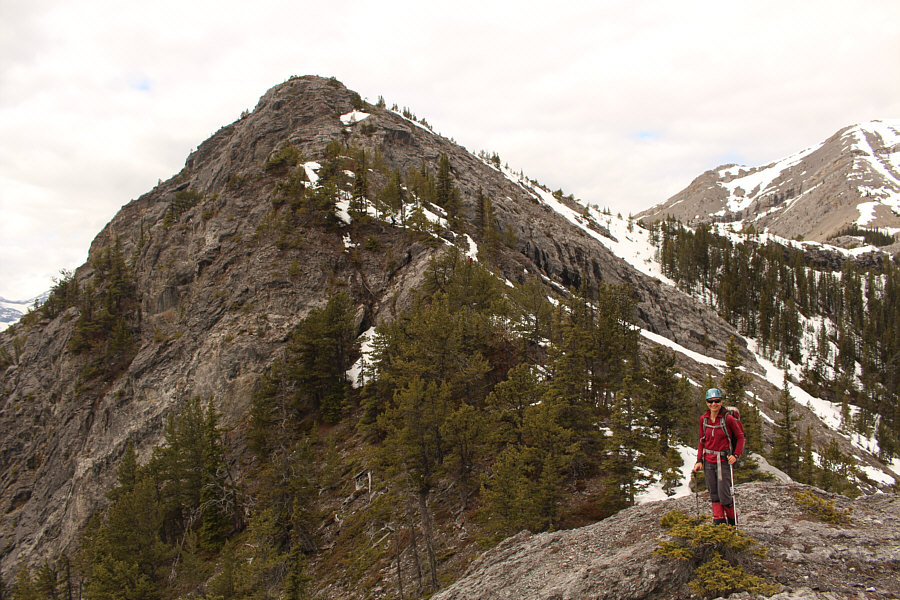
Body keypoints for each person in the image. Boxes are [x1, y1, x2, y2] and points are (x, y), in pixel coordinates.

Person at [692, 387, 745, 525]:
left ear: (721, 402)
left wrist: (736, 455)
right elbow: (701, 440)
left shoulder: (728, 419)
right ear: (707, 403)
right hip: (708, 461)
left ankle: (732, 524)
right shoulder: (704, 419)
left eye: (716, 401)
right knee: (713, 494)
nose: (714, 404)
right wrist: (699, 460)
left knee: (724, 495)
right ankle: (719, 524)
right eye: (710, 401)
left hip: (723, 461)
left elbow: (740, 437)